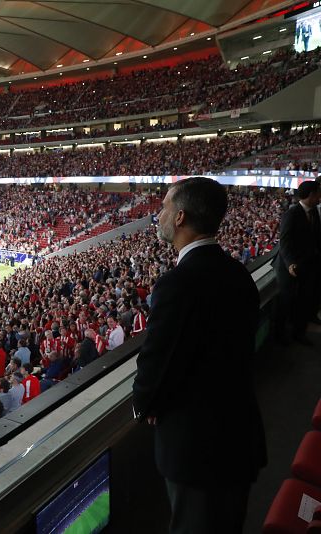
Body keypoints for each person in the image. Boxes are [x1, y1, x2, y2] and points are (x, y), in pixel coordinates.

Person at [132, 177, 266, 534]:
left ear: (180, 217)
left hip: (198, 449)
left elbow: (157, 360)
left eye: (163, 207)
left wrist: (143, 406)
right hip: (238, 433)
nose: (158, 215)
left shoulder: (179, 283)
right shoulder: (237, 273)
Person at [274, 180, 321, 345]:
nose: (320, 196)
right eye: (318, 193)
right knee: (286, 301)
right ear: (311, 195)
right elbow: (284, 243)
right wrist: (290, 264)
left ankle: (299, 334)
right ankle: (279, 336)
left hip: (308, 266)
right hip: (290, 267)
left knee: (304, 300)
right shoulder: (292, 214)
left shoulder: (314, 211)